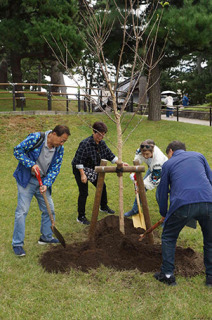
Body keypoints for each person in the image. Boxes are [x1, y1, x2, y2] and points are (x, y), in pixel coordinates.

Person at [154, 141, 212, 287]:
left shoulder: (168, 164)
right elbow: (210, 179)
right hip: (208, 202)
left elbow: (162, 192)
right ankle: (210, 278)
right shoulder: (199, 156)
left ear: (171, 151)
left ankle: (167, 274)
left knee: (168, 237)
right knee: (210, 241)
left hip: (182, 204)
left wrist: (164, 213)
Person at [12, 125, 70, 257]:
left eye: (64, 142)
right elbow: (17, 150)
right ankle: (17, 244)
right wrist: (31, 164)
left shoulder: (59, 149)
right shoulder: (36, 138)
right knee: (22, 211)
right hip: (26, 180)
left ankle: (46, 237)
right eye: (61, 140)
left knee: (49, 209)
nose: (62, 143)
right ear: (53, 134)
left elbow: (55, 168)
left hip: (42, 182)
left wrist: (46, 183)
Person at [72, 121, 127, 225]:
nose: (101, 137)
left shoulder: (102, 143)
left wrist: (121, 163)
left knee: (102, 186)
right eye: (99, 134)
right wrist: (83, 175)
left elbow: (110, 155)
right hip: (80, 169)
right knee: (84, 192)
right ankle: (81, 216)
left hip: (93, 169)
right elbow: (78, 161)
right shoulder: (85, 144)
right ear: (93, 131)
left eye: (103, 134)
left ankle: (104, 207)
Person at [124, 139, 168, 217]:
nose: (145, 156)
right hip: (152, 168)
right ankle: (135, 209)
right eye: (143, 154)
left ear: (152, 151)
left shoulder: (159, 160)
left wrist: (141, 185)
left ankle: (165, 217)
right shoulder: (142, 150)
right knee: (141, 189)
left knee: (159, 196)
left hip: (163, 172)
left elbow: (154, 179)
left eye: (147, 154)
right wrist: (135, 170)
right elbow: (138, 158)